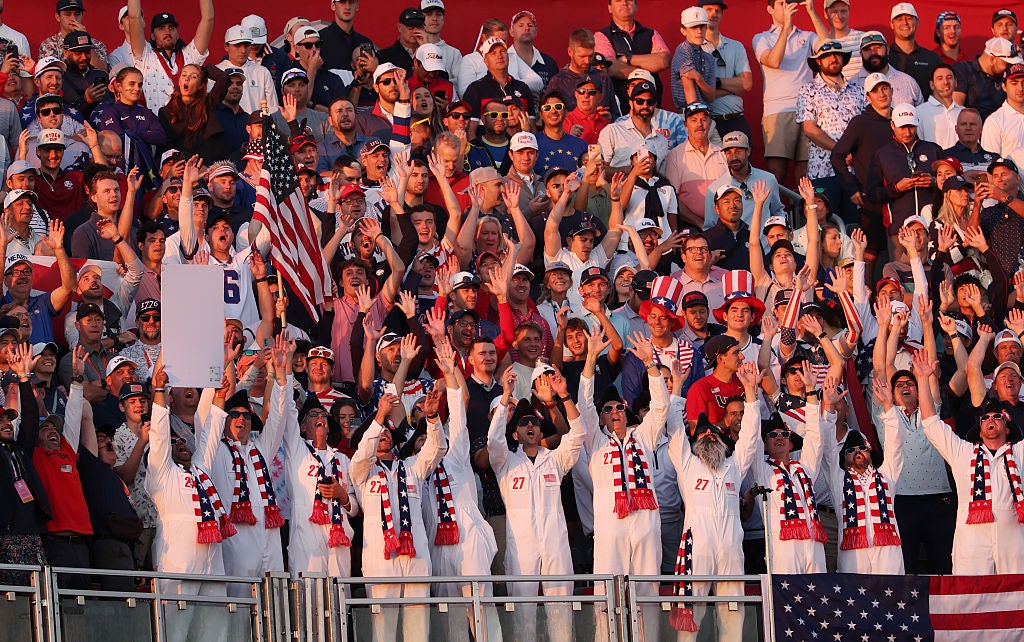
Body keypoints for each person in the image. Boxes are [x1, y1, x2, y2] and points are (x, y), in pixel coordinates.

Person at [579, 335, 668, 641]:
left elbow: (660, 408)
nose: (614, 412)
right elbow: (584, 406)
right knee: (607, 594)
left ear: (627, 410)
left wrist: (650, 365)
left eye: (619, 407)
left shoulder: (643, 437)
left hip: (645, 523)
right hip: (610, 527)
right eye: (608, 409)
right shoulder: (594, 441)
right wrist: (590, 360)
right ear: (601, 416)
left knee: (647, 592)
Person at [488, 360, 584, 642]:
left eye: (535, 423)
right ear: (515, 434)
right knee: (523, 616)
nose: (530, 425)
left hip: (555, 544)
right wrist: (506, 396)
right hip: (522, 549)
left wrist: (562, 396)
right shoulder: (506, 463)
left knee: (561, 613)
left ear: (542, 433)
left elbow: (577, 434)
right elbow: (494, 441)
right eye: (524, 423)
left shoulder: (554, 461)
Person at [915, 349, 1024, 575]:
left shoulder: (1020, 453)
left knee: (1017, 602)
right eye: (985, 418)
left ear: (1006, 426)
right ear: (980, 427)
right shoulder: (963, 452)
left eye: (997, 417)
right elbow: (932, 424)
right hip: (972, 544)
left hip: (1014, 541)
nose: (991, 420)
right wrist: (923, 380)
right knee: (972, 601)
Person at [349, 390, 445, 642]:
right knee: (384, 630)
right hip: (381, 557)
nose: (382, 434)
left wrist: (433, 417)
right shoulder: (361, 472)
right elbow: (362, 455)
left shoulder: (413, 466)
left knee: (418, 629)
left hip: (416, 554)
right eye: (378, 431)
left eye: (387, 431)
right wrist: (379, 415)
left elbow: (437, 448)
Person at [146, 356, 230, 639]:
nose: (180, 444)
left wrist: (219, 395)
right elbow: (158, 437)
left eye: (183, 441)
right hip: (178, 562)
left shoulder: (200, 468)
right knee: (175, 632)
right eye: (175, 442)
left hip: (212, 563)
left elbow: (212, 434)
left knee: (215, 630)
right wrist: (159, 393)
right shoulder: (162, 473)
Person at [736, 360, 827, 573]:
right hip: (783, 547)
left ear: (792, 442)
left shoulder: (804, 469)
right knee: (784, 599)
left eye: (784, 434)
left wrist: (811, 391)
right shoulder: (761, 470)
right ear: (765, 443)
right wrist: (751, 393)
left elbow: (814, 437)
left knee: (817, 600)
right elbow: (751, 437)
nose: (779, 438)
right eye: (773, 435)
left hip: (813, 543)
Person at [821, 375, 906, 573]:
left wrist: (888, 404)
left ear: (869, 451)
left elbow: (896, 444)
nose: (857, 452)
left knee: (891, 600)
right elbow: (828, 449)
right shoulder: (838, 479)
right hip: (853, 554)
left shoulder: (886, 475)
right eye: (851, 450)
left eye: (861, 447)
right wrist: (829, 408)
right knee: (854, 601)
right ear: (844, 458)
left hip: (887, 551)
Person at [751, 0, 830, 185]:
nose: (787, 6)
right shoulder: (761, 38)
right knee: (776, 172)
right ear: (770, 9)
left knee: (806, 172)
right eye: (781, 3)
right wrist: (786, 28)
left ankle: (803, 214)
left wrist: (811, 11)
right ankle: (776, 213)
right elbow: (773, 61)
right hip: (778, 109)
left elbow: (829, 47)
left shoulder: (807, 35)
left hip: (808, 111)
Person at [797, 38, 864, 227]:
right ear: (818, 61)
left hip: (854, 171)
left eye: (837, 55)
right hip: (822, 170)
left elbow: (865, 128)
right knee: (826, 227)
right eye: (827, 56)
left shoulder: (858, 90)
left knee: (854, 227)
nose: (833, 59)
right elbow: (810, 129)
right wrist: (842, 152)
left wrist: (855, 154)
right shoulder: (808, 90)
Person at [0, 343, 48, 585]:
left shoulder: (20, 449)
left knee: (39, 596)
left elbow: (30, 418)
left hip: (32, 534)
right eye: (0, 422)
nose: (7, 424)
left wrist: (23, 378)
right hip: (4, 535)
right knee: (9, 598)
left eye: (8, 420)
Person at [124, 0, 215, 113]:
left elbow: (208, 19)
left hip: (189, 126)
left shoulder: (190, 55)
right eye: (161, 28)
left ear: (178, 34)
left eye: (172, 27)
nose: (167, 32)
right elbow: (134, 18)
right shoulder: (145, 56)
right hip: (158, 126)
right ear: (152, 35)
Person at [594, 0, 672, 112]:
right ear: (610, 8)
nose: (624, 3)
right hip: (621, 111)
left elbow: (663, 61)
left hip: (652, 108)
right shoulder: (602, 36)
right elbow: (610, 67)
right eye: (618, 0)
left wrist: (627, 59)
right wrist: (648, 70)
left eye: (629, 0)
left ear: (636, 6)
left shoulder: (651, 34)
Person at [704, 131, 785, 228]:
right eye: (728, 152)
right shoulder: (714, 189)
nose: (733, 157)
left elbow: (778, 212)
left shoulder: (768, 179)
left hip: (764, 242)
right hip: (733, 243)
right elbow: (709, 227)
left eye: (738, 152)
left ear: (748, 151)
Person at [700, 0, 753, 138]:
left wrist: (716, 83)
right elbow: (699, 92)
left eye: (718, 10)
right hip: (706, 122)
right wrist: (735, 86)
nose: (713, 14)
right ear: (699, 13)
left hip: (735, 119)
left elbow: (747, 83)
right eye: (709, 9)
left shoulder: (736, 46)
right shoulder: (693, 48)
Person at [951, 37, 1020, 121]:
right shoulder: (962, 70)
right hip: (972, 130)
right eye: (1006, 63)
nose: (1009, 67)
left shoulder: (1006, 76)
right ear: (992, 59)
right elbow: (956, 110)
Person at [887, 2, 943, 99]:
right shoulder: (884, 58)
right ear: (892, 25)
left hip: (927, 113)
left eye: (909, 18)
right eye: (899, 19)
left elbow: (942, 92)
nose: (905, 22)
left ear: (917, 22)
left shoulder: (932, 58)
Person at [981, 63, 1024, 173]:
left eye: (1023, 83)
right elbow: (989, 163)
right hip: (1010, 187)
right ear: (1004, 86)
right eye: (1014, 83)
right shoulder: (995, 121)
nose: (1020, 88)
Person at [507, 10, 558, 93]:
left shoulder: (549, 63)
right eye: (521, 25)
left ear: (536, 32)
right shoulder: (502, 61)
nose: (526, 28)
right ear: (511, 32)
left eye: (530, 25)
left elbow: (555, 95)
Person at [916, 64, 962, 149]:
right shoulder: (919, 112)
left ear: (955, 82)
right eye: (940, 78)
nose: (945, 82)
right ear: (932, 84)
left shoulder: (964, 113)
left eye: (949, 77)